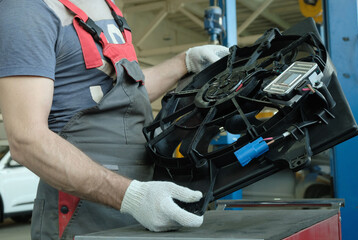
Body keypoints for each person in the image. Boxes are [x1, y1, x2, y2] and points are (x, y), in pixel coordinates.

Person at [0, 0, 230, 239]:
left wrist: (185, 61)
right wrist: (131, 197)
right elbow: (27, 139)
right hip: (84, 212)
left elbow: (127, 96)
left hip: (143, 197)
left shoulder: (105, 7)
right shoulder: (28, 9)